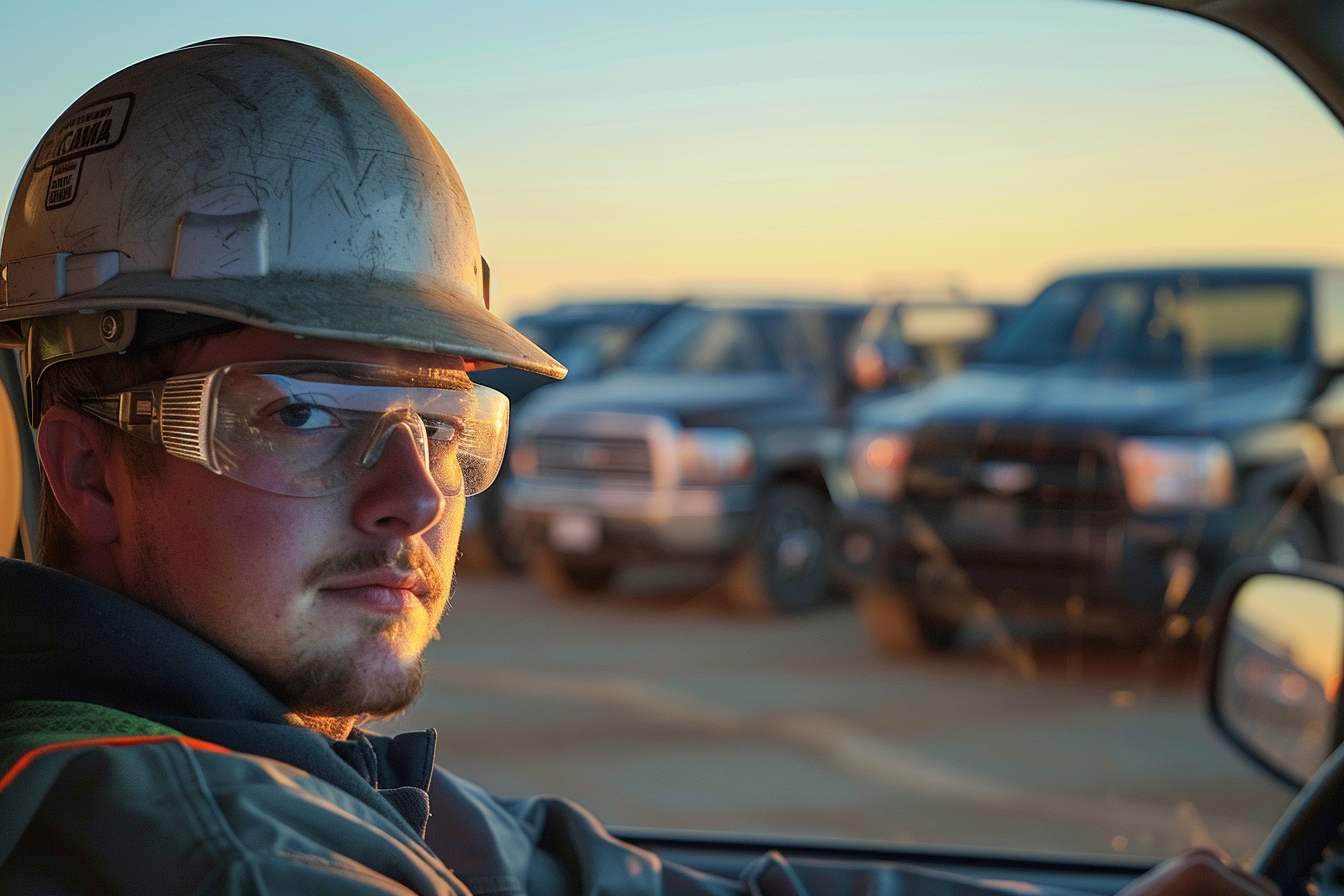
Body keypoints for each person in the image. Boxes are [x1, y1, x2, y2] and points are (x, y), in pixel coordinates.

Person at [0, 36, 1283, 896]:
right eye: (300, 414)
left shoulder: (277, 761)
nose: (418, 496)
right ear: (87, 468)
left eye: (446, 426)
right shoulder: (187, 831)